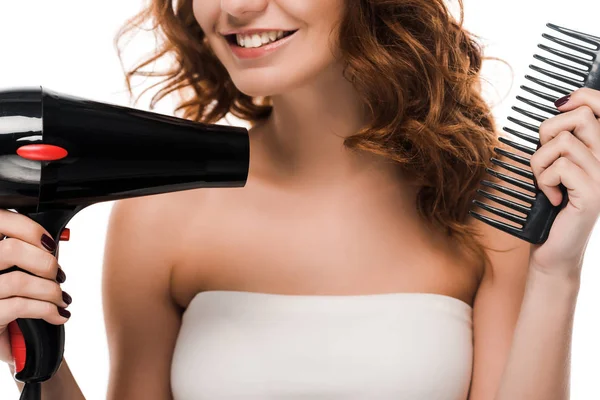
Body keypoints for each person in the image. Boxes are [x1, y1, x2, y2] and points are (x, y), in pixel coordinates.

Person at [2, 0, 600, 398]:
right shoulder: (162, 212)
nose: (235, 6)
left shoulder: (481, 203)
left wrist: (558, 270)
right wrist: (35, 351)